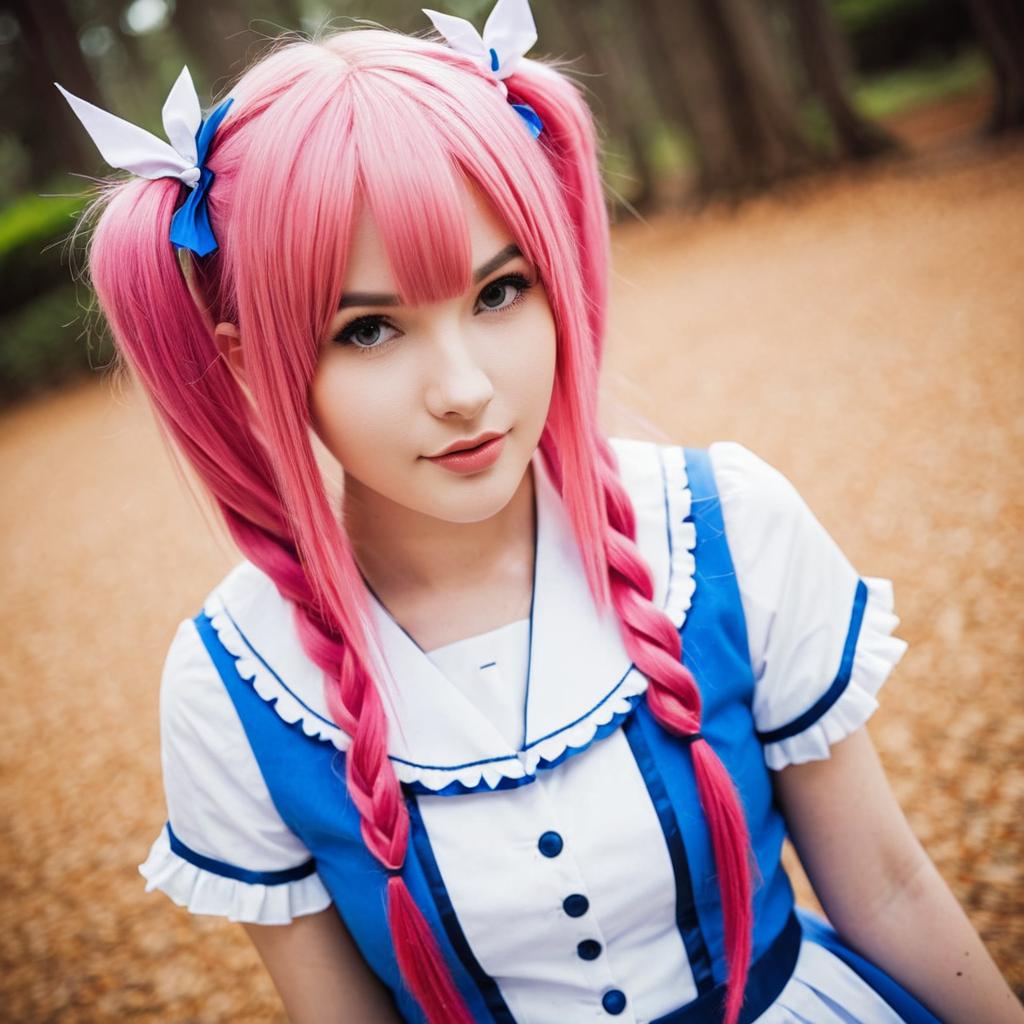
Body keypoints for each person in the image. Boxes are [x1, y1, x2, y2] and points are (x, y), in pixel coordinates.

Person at [60, 2, 1022, 1022]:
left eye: (498, 291)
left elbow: (886, 887)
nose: (464, 387)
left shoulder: (722, 528)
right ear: (252, 362)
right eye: (371, 329)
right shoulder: (233, 687)